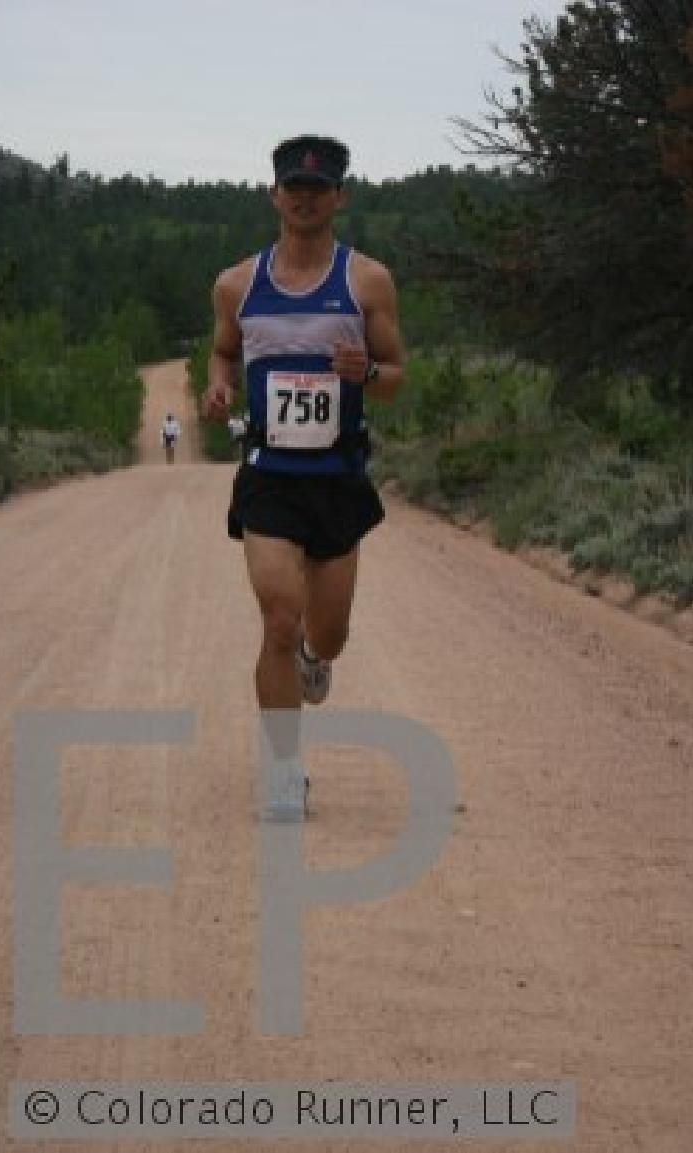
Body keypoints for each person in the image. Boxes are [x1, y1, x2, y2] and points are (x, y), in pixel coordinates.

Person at [202, 134, 404, 819]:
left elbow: (396, 375)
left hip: (338, 474)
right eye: (295, 185)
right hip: (269, 475)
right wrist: (219, 385)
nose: (306, 196)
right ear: (274, 193)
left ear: (339, 197)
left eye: (319, 187)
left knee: (328, 633)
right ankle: (284, 772)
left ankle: (318, 656)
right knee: (279, 620)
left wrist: (369, 374)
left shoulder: (366, 281)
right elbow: (223, 351)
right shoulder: (236, 284)